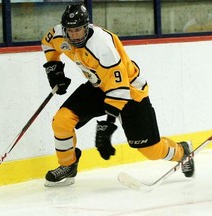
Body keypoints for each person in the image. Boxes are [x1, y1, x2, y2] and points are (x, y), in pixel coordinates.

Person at [41, 4, 194, 187]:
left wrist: (108, 125)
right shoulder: (59, 34)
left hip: (130, 91)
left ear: (86, 26)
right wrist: (54, 69)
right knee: (62, 120)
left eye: (78, 30)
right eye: (70, 31)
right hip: (98, 86)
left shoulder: (102, 46)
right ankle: (68, 165)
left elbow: (119, 88)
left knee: (151, 151)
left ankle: (182, 151)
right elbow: (47, 43)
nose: (74, 35)